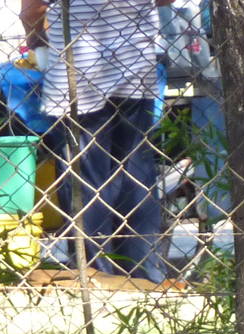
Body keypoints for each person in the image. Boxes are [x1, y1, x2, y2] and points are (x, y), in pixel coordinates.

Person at [20, 0, 169, 283]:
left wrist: (35, 38)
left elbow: (32, 9)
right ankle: (144, 274)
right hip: (136, 66)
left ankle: (97, 274)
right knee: (135, 172)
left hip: (78, 73)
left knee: (87, 177)